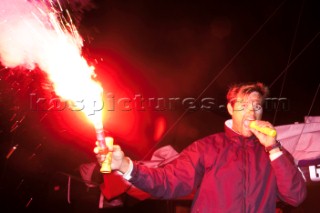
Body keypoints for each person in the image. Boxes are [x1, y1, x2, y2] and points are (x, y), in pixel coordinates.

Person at [95, 82, 307, 213]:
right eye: (243, 106)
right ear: (230, 109)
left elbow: (295, 197)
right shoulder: (207, 148)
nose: (251, 113)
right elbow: (167, 182)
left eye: (257, 106)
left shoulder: (273, 153)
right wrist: (125, 166)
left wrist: (274, 149)